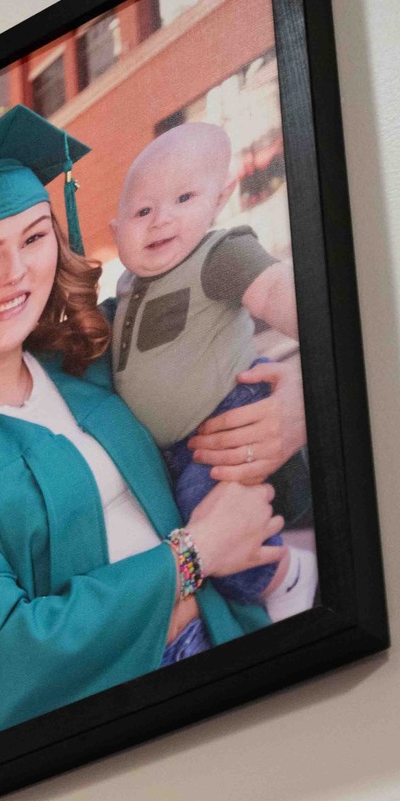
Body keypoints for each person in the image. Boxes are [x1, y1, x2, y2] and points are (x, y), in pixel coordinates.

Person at [0, 105, 287, 779]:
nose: (17, 275)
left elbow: (231, 350)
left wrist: (289, 405)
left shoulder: (95, 359)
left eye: (33, 239)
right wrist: (194, 555)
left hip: (233, 635)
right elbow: (1, 659)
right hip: (129, 723)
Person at [107, 122, 313, 608]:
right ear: (116, 232)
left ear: (220, 198)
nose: (160, 220)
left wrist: (316, 368)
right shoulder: (125, 287)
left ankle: (287, 577)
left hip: (227, 419)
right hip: (176, 447)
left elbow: (282, 294)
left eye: (184, 198)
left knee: (213, 519)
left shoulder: (219, 254)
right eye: (142, 211)